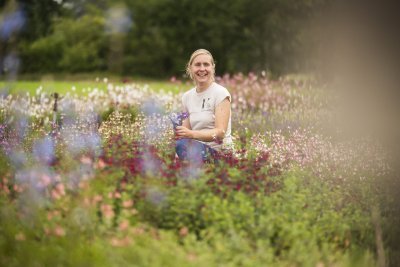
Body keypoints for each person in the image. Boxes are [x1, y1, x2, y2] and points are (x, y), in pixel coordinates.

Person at [175, 49, 233, 163]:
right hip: (196, 150)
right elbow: (185, 132)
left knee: (182, 145)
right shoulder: (187, 97)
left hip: (219, 154)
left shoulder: (221, 93)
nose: (202, 69)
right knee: (178, 144)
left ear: (212, 67)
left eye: (206, 64)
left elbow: (220, 133)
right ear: (190, 68)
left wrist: (192, 134)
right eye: (197, 65)